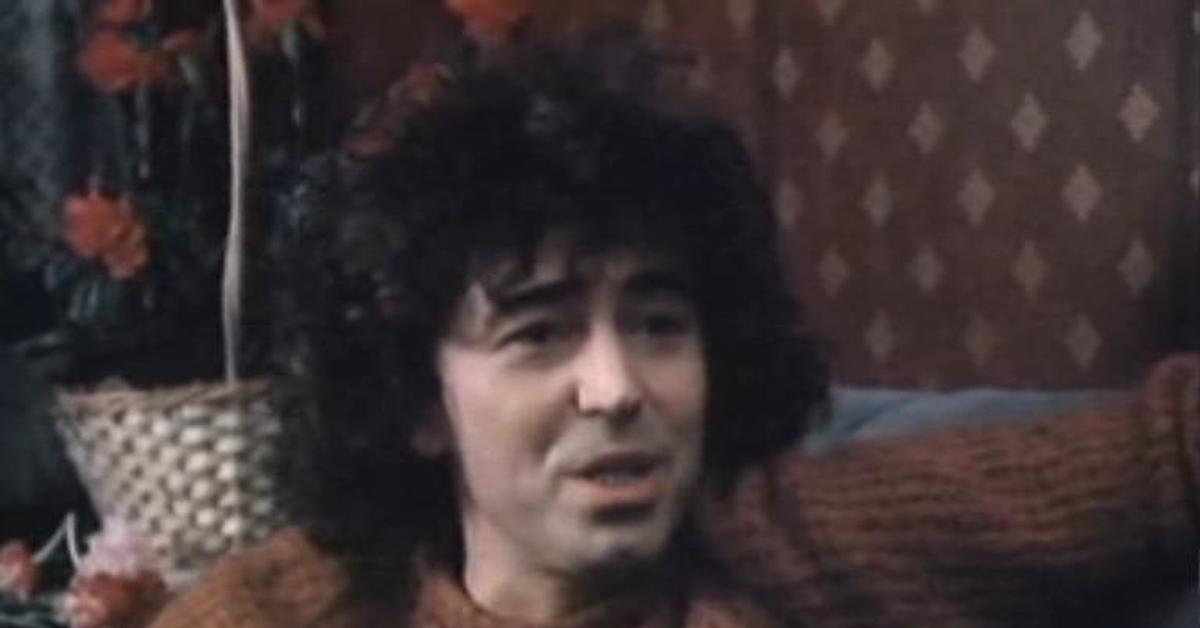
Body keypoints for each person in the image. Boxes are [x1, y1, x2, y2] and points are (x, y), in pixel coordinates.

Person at [149, 40, 1200, 628]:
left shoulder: (781, 538)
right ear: (420, 401)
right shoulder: (297, 605)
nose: (616, 387)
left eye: (657, 324)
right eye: (539, 334)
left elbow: (1163, 451)